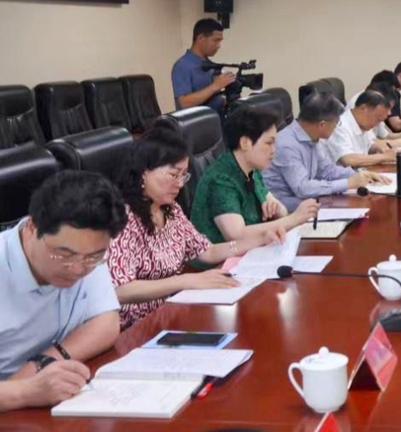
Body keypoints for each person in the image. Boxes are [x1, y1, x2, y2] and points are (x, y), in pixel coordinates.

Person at [108, 126, 280, 329]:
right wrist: (185, 281)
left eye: (184, 176)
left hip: (172, 313)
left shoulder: (170, 210)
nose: (180, 184)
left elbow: (208, 251)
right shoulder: (122, 218)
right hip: (135, 326)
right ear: (144, 172)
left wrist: (259, 239)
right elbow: (120, 290)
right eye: (174, 175)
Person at [0, 171, 127, 411]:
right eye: (64, 255)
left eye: (94, 257)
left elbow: (106, 323)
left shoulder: (86, 250)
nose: (78, 270)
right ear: (32, 228)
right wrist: (24, 391)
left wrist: (42, 363)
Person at [192, 108, 322, 243]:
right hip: (223, 255)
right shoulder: (221, 179)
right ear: (245, 143)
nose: (274, 150)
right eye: (269, 143)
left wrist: (275, 208)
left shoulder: (251, 169)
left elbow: (282, 211)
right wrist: (293, 219)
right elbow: (236, 235)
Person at [261, 92, 386, 212]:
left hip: (307, 203)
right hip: (284, 210)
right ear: (322, 125)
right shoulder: (287, 144)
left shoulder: (311, 137)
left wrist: (360, 175)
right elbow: (302, 188)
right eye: (336, 124)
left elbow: (326, 170)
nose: (336, 128)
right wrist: (348, 183)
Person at [171, 18, 234, 116]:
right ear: (200, 38)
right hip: (197, 123)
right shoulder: (182, 66)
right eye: (215, 40)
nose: (218, 46)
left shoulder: (210, 65)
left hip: (216, 120)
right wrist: (215, 86)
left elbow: (210, 97)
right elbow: (184, 103)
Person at [323, 90, 397, 168]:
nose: (378, 125)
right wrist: (384, 157)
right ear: (363, 109)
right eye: (378, 119)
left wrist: (379, 149)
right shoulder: (340, 125)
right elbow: (348, 159)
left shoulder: (364, 124)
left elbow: (369, 145)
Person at [365, 80, 401, 152]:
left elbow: (385, 136)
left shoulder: (375, 118)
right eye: (387, 108)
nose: (389, 113)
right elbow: (375, 144)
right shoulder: (362, 120)